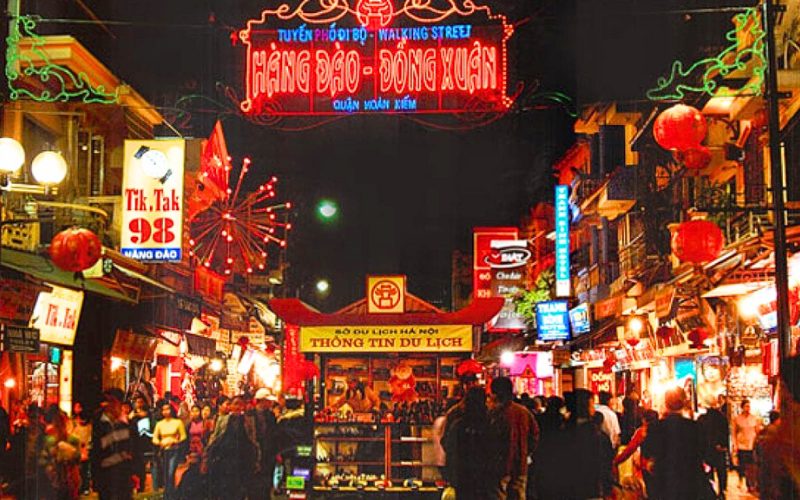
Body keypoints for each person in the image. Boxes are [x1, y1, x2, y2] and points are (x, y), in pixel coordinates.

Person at [643, 386, 711, 500]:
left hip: (664, 481)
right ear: (684, 402)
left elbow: (648, 454)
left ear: (666, 403)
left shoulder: (655, 427)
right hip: (691, 481)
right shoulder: (696, 427)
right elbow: (704, 453)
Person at [488, 377, 539, 500]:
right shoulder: (524, 412)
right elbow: (535, 435)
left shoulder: (494, 413)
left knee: (499, 494)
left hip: (500, 465)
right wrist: (525, 452)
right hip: (520, 464)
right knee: (519, 494)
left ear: (495, 394)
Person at [205, 396, 260, 500]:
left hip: (242, 461)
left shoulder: (249, 421)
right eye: (235, 404)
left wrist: (256, 458)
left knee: (240, 491)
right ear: (230, 406)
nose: (238, 407)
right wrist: (207, 456)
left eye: (240, 404)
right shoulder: (222, 420)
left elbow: (253, 439)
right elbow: (215, 437)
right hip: (225, 461)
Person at [441, 387, 491, 500]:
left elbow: (447, 444)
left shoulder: (458, 423)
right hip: (485, 474)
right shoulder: (491, 422)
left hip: (462, 473)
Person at [91, 388, 134, 500]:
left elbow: (133, 449)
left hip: (123, 474)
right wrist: (95, 477)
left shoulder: (127, 423)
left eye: (110, 401)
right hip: (105, 475)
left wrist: (135, 472)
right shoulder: (99, 423)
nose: (106, 404)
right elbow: (96, 451)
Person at [613, 409, 658, 498]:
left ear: (644, 420)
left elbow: (629, 450)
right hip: (662, 467)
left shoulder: (643, 432)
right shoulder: (664, 430)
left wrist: (616, 461)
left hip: (647, 467)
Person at [40, 408, 81, 499]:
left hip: (66, 480)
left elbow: (77, 458)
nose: (60, 425)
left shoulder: (72, 440)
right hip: (58, 480)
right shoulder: (50, 441)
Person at [152, 402, 187, 499]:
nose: (166, 411)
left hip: (174, 450)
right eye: (164, 409)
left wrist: (175, 441)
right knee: (165, 473)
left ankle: (171, 494)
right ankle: (167, 494)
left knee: (171, 472)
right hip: (164, 450)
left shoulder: (177, 422)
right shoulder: (160, 424)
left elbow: (183, 436)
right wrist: (160, 443)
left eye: (168, 409)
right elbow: (154, 438)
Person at [698, 398, 730, 498]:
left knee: (708, 471)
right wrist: (724, 446)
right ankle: (722, 490)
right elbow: (726, 433)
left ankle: (710, 489)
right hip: (719, 449)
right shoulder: (722, 418)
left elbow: (699, 436)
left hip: (707, 449)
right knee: (721, 471)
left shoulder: (702, 419)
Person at [251, 389, 278, 499]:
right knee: (255, 484)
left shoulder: (271, 415)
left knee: (267, 482)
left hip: (269, 454)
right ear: (261, 401)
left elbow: (274, 434)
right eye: (268, 401)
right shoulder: (250, 415)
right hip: (254, 454)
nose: (270, 403)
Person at [732, 399, 762, 494]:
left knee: (751, 466)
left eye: (749, 406)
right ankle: (741, 481)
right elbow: (734, 432)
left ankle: (750, 484)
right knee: (742, 465)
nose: (748, 408)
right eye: (746, 406)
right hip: (741, 445)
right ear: (742, 407)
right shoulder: (737, 419)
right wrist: (735, 444)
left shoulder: (754, 418)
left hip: (751, 445)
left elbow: (757, 431)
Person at [128, 394, 152, 493]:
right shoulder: (132, 414)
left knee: (141, 466)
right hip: (132, 444)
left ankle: (141, 486)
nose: (139, 404)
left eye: (141, 402)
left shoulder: (148, 414)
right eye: (137, 402)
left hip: (142, 443)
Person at [68, 402, 93, 496]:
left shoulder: (88, 423)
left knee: (83, 470)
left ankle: (84, 487)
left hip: (84, 449)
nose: (75, 408)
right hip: (77, 449)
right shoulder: (73, 422)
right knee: (78, 470)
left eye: (78, 406)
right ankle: (80, 488)